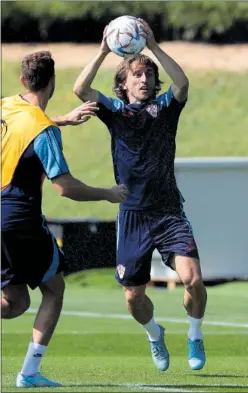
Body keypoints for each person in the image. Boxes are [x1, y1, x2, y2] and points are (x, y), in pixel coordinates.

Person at [73, 20, 207, 372]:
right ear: (124, 83)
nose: (144, 80)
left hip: (168, 212)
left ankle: (194, 334)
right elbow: (80, 88)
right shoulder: (114, 113)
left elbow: (182, 83)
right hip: (132, 215)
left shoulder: (165, 109)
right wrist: (103, 50)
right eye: (137, 75)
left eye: (148, 75)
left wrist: (154, 46)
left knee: (192, 278)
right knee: (133, 297)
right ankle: (154, 334)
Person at [1, 50, 128, 388]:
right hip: (19, 220)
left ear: (23, 81)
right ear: (52, 83)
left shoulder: (5, 106)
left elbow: (22, 128)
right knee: (54, 290)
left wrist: (61, 120)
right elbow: (65, 187)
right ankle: (29, 373)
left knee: (16, 303)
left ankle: (30, 372)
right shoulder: (43, 132)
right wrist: (107, 193)